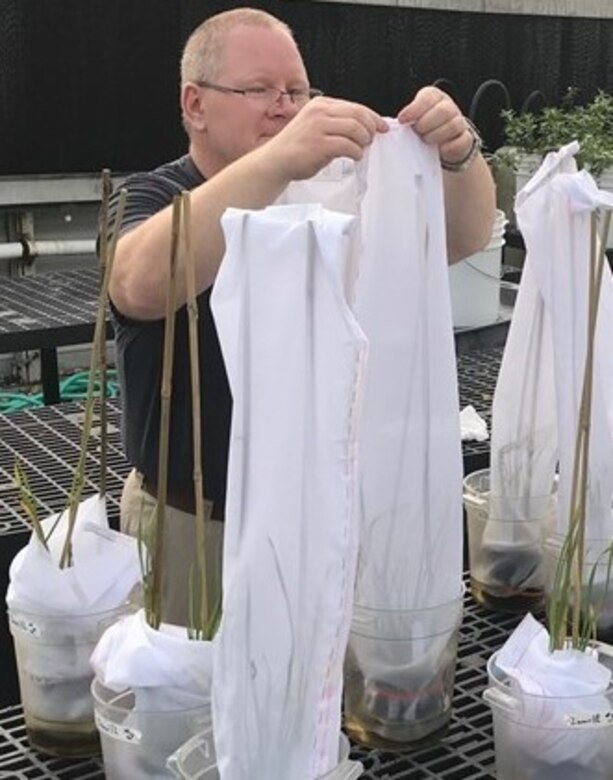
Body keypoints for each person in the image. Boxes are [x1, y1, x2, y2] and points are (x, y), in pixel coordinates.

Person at [108, 7, 496, 626]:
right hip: (196, 524)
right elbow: (138, 283)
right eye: (258, 89)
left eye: (296, 91)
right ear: (196, 104)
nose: (283, 107)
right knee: (190, 703)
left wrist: (458, 155)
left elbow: (462, 236)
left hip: (322, 521)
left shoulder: (329, 197)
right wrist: (279, 161)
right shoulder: (155, 196)